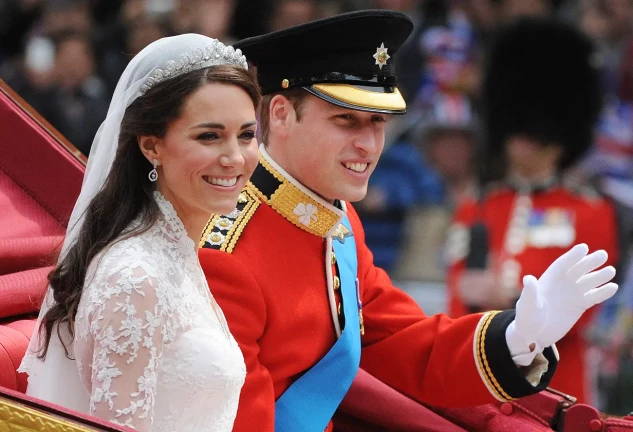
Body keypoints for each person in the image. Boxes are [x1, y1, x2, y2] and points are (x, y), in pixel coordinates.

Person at [198, 10, 618, 432]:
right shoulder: (227, 250)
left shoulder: (337, 219)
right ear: (282, 115)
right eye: (346, 120)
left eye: (378, 122)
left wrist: (516, 338)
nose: (368, 145)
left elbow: (402, 341)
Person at [18, 34, 260, 432]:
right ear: (152, 146)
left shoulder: (173, 251)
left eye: (247, 135)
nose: (235, 157)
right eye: (209, 136)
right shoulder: (135, 277)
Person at [446, 17, 619, 404]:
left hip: (557, 386)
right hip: (481, 376)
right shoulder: (476, 205)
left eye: (534, 133)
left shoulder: (588, 210)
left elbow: (587, 310)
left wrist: (511, 294)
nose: (522, 142)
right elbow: (457, 296)